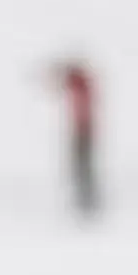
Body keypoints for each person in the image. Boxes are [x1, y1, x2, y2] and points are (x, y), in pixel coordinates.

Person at [49, 56, 100, 219]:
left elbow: (63, 83)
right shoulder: (81, 83)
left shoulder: (80, 83)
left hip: (83, 129)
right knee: (80, 165)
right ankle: (84, 198)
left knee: (82, 165)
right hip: (83, 128)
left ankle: (86, 199)